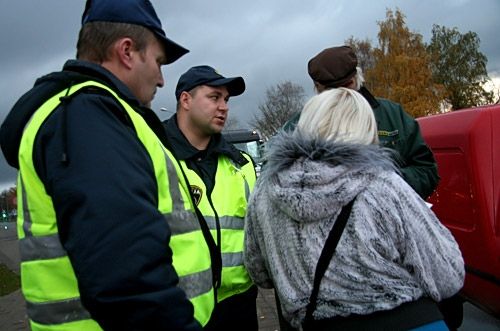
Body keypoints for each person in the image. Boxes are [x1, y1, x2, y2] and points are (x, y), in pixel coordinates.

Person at [0, 1, 215, 330]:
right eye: (157, 62)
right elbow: (128, 278)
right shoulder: (87, 118)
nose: (160, 79)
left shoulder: (96, 115)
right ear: (127, 51)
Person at [244, 88, 465, 330]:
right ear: (366, 129)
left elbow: (260, 273)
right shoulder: (382, 184)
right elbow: (447, 274)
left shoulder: (264, 193)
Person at [163, 65, 259, 331]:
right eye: (214, 97)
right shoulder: (153, 157)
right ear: (185, 99)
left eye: (226, 100)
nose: (224, 107)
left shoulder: (242, 165)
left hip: (239, 304)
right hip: (179, 307)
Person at [283, 45, 439, 200]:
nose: (342, 95)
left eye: (346, 86)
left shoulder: (392, 114)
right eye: (332, 90)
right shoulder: (299, 126)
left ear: (356, 78)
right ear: (317, 88)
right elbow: (281, 183)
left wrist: (385, 186)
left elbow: (426, 170)